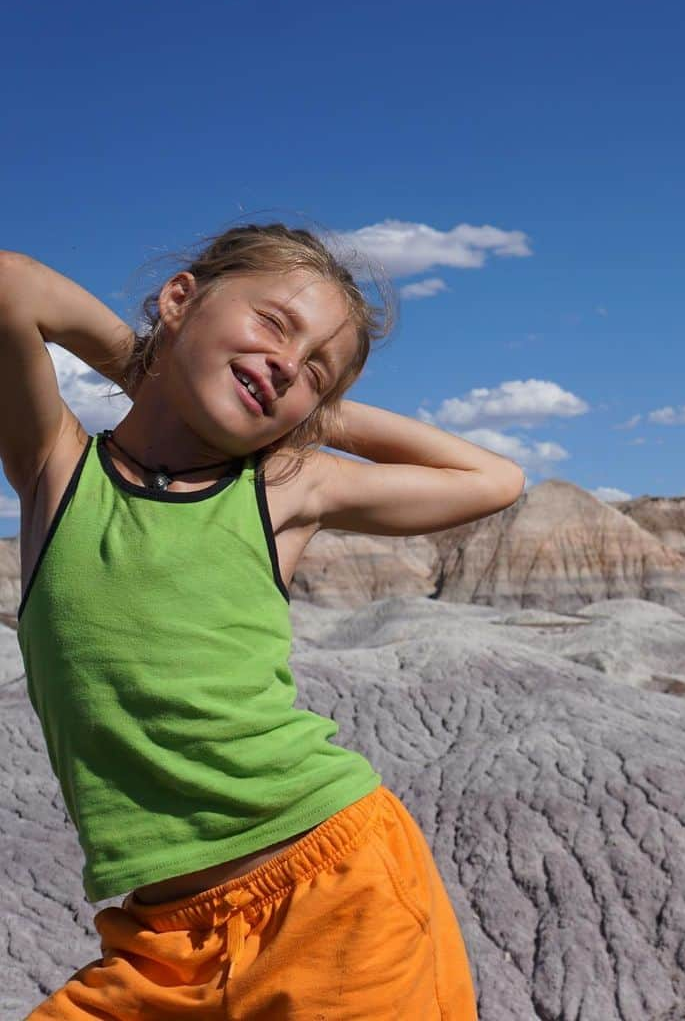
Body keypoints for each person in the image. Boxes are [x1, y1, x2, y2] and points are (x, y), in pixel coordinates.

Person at [1, 223, 524, 1019]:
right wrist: (150, 365)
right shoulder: (58, 472)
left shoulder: (283, 491)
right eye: (273, 324)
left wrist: (309, 421)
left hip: (338, 894)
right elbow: (11, 284)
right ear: (179, 299)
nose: (286, 362)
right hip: (163, 945)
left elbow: (493, 478)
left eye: (317, 370)